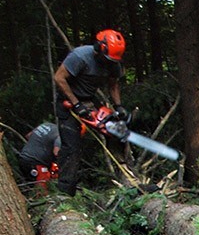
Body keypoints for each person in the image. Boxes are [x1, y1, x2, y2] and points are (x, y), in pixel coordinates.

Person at [52, 29, 127, 196]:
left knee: (117, 132)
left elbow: (113, 84)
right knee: (72, 147)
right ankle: (65, 193)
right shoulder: (80, 56)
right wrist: (76, 104)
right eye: (107, 59)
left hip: (89, 99)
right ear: (99, 48)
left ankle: (125, 176)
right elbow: (59, 78)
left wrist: (119, 106)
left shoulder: (113, 62)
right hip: (69, 101)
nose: (108, 63)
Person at [16, 122, 60, 187]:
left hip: (23, 158)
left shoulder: (46, 125)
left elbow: (28, 136)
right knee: (42, 190)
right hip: (37, 164)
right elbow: (56, 152)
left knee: (29, 186)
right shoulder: (59, 135)